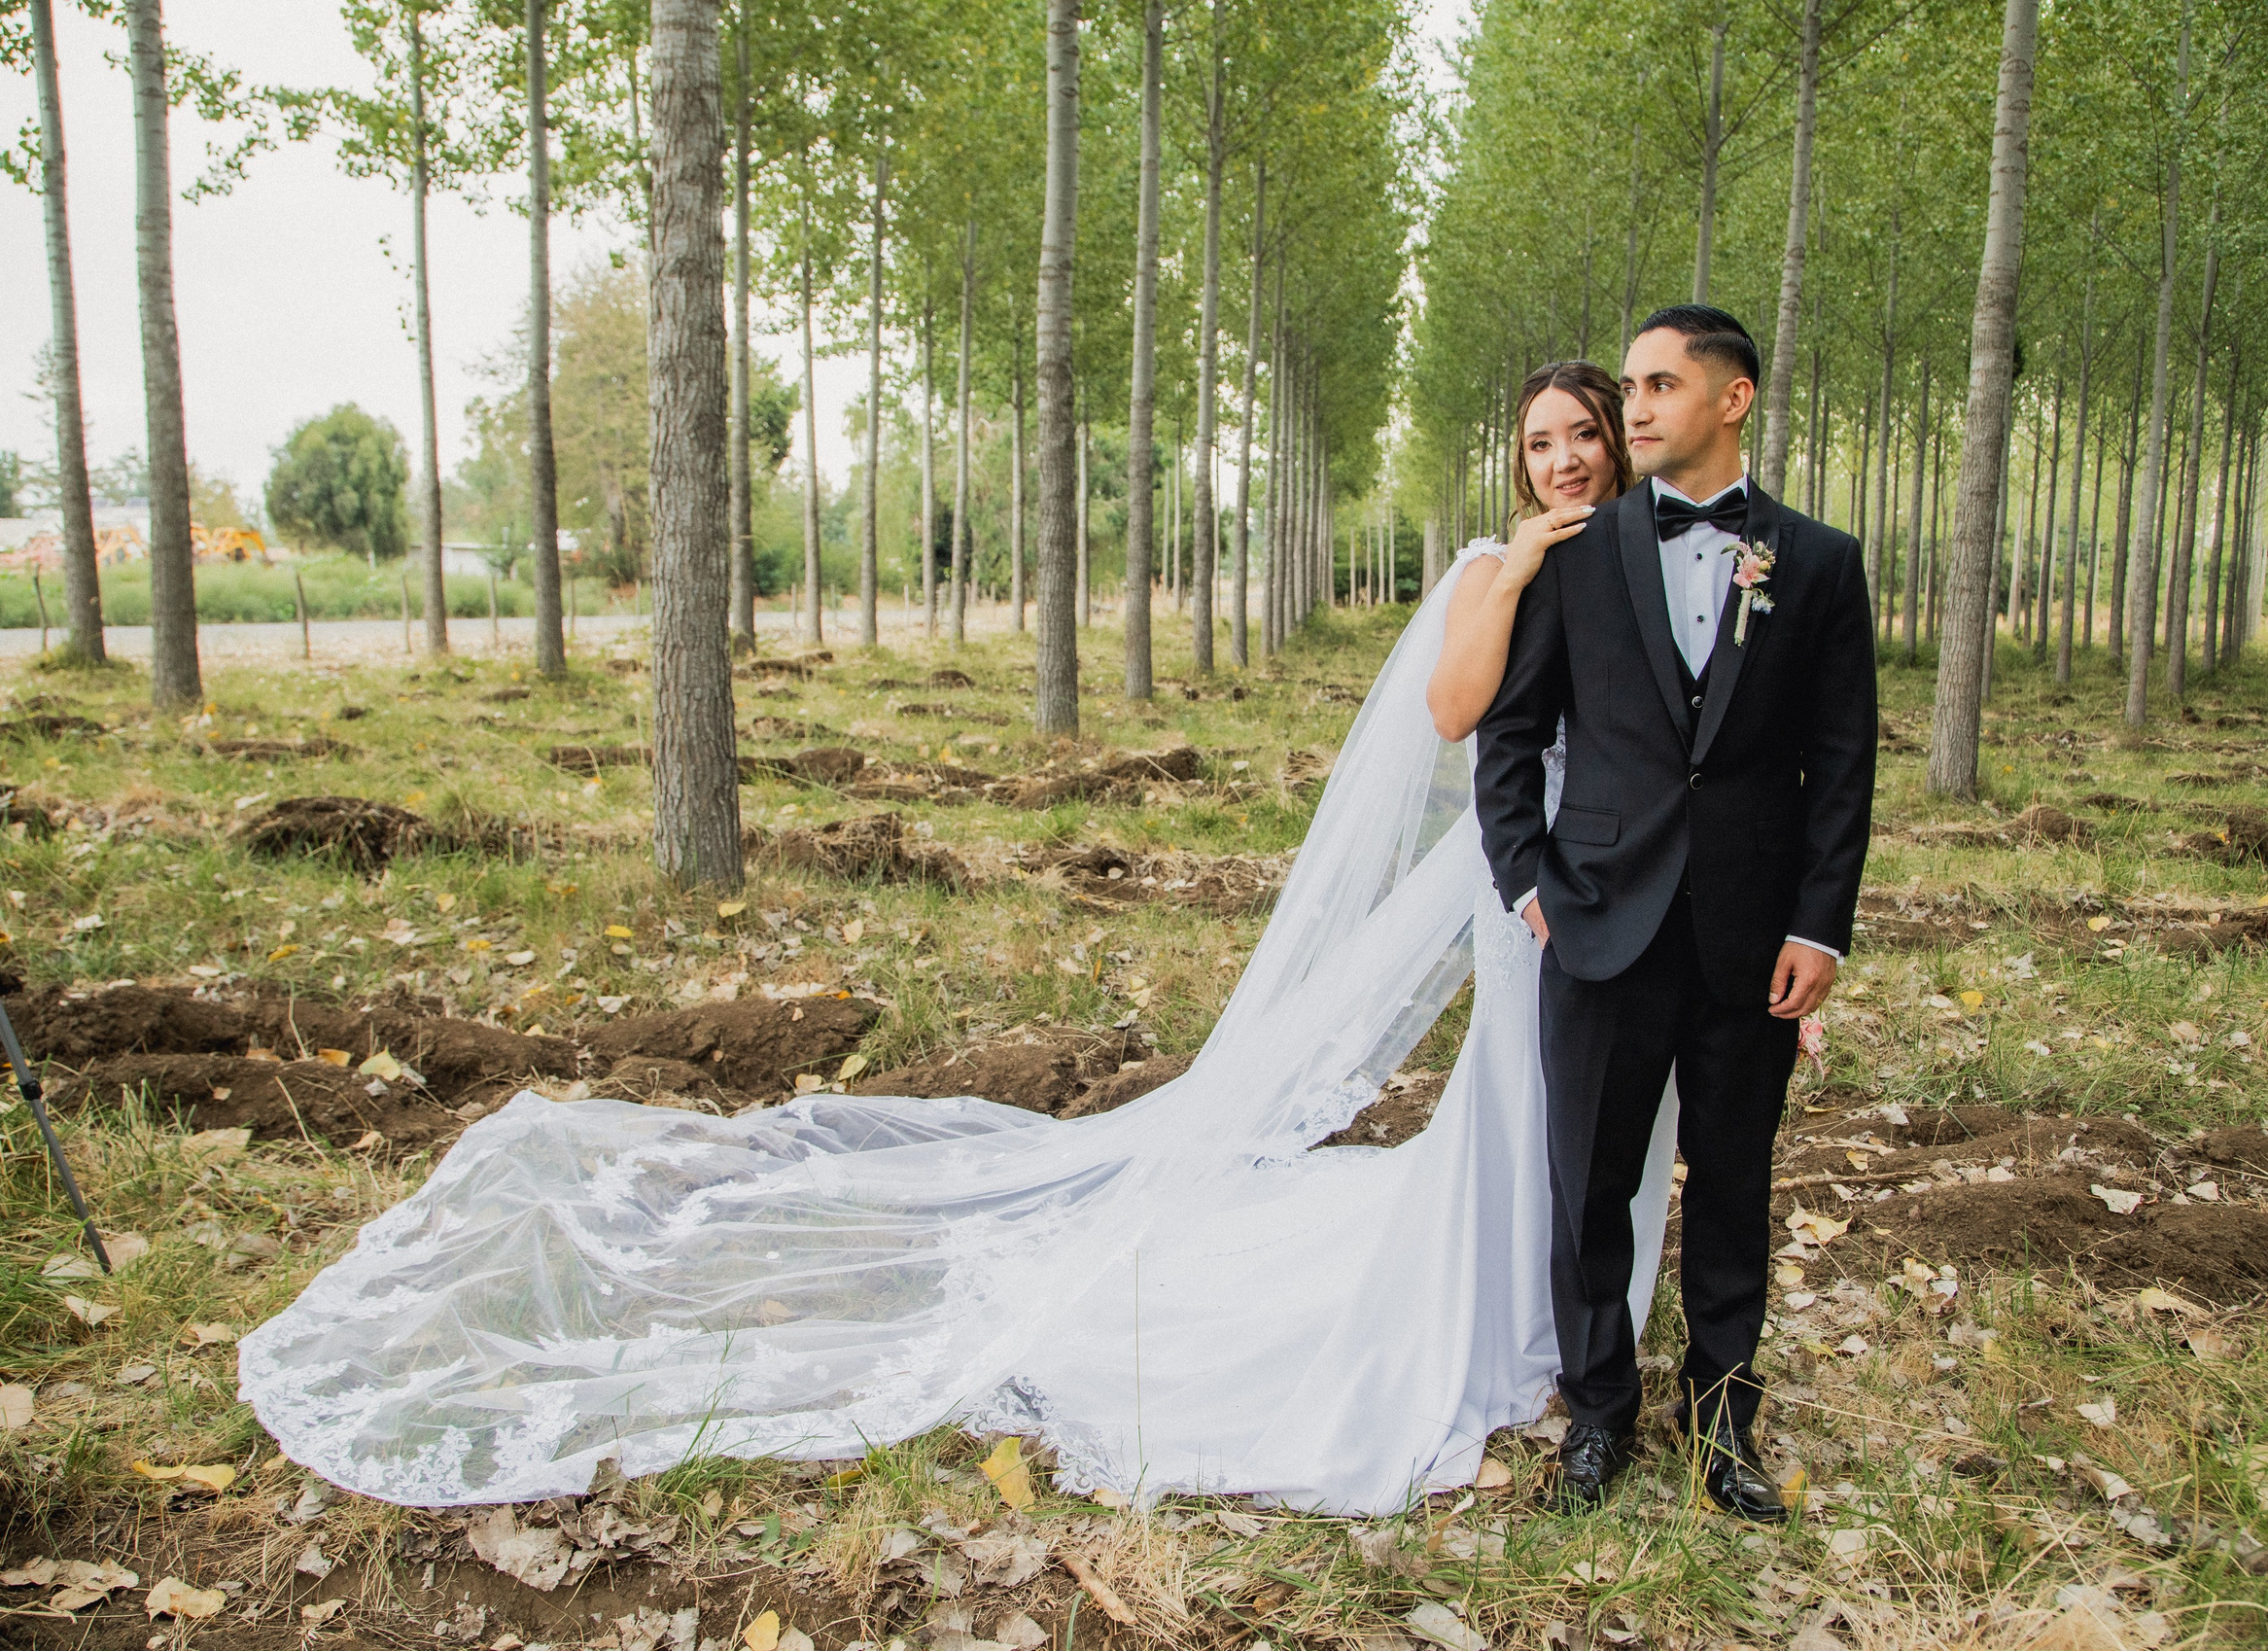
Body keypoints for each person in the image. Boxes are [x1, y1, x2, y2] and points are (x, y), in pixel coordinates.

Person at [236, 363, 1677, 1519]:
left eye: (1582, 436)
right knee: (1517, 1090)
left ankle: (1583, 1318)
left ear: (1623, 440)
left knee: (1605, 1104)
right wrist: (1513, 572)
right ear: (1520, 461)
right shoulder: (1506, 560)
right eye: (1540, 440)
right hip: (1528, 871)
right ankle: (1502, 1326)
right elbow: (1456, 717)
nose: (1562, 458)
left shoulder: (1646, 549)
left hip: (1640, 875)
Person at [1474, 303, 1877, 1520]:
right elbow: (1511, 733)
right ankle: (1597, 1419)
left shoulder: (1817, 561)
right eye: (1630, 387)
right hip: (1596, 919)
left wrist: (1820, 926)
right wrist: (1529, 881)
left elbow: (1840, 757)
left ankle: (1721, 1426)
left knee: (1735, 1184)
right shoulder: (1571, 553)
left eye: (1657, 385)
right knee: (1588, 1185)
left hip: (1751, 940)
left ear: (1731, 398)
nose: (1630, 408)